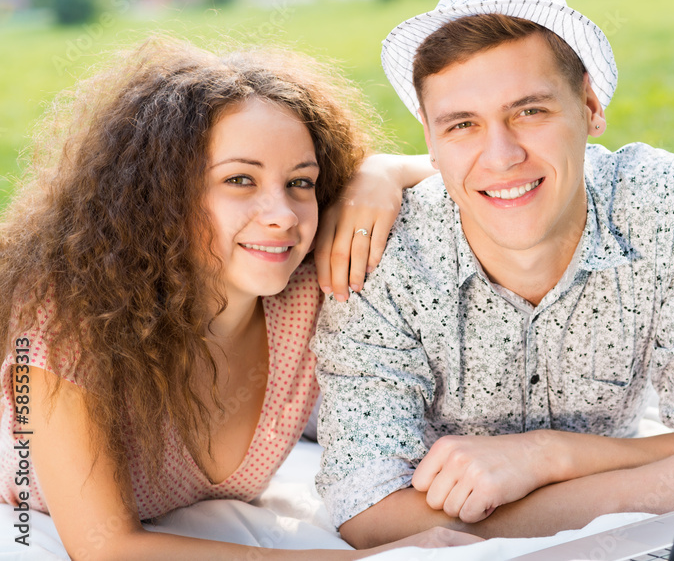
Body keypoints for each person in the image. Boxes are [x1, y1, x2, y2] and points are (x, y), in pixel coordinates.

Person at [311, 0, 674, 549]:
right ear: (429, 137)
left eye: (529, 111)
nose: (501, 157)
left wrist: (545, 457)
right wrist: (642, 488)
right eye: (462, 125)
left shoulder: (661, 207)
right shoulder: (384, 255)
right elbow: (367, 505)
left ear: (589, 106)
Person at [0, 36, 478, 559]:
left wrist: (380, 172)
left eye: (301, 182)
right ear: (158, 197)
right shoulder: (74, 323)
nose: (282, 214)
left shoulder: (306, 291)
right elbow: (107, 547)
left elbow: (484, 173)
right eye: (239, 180)